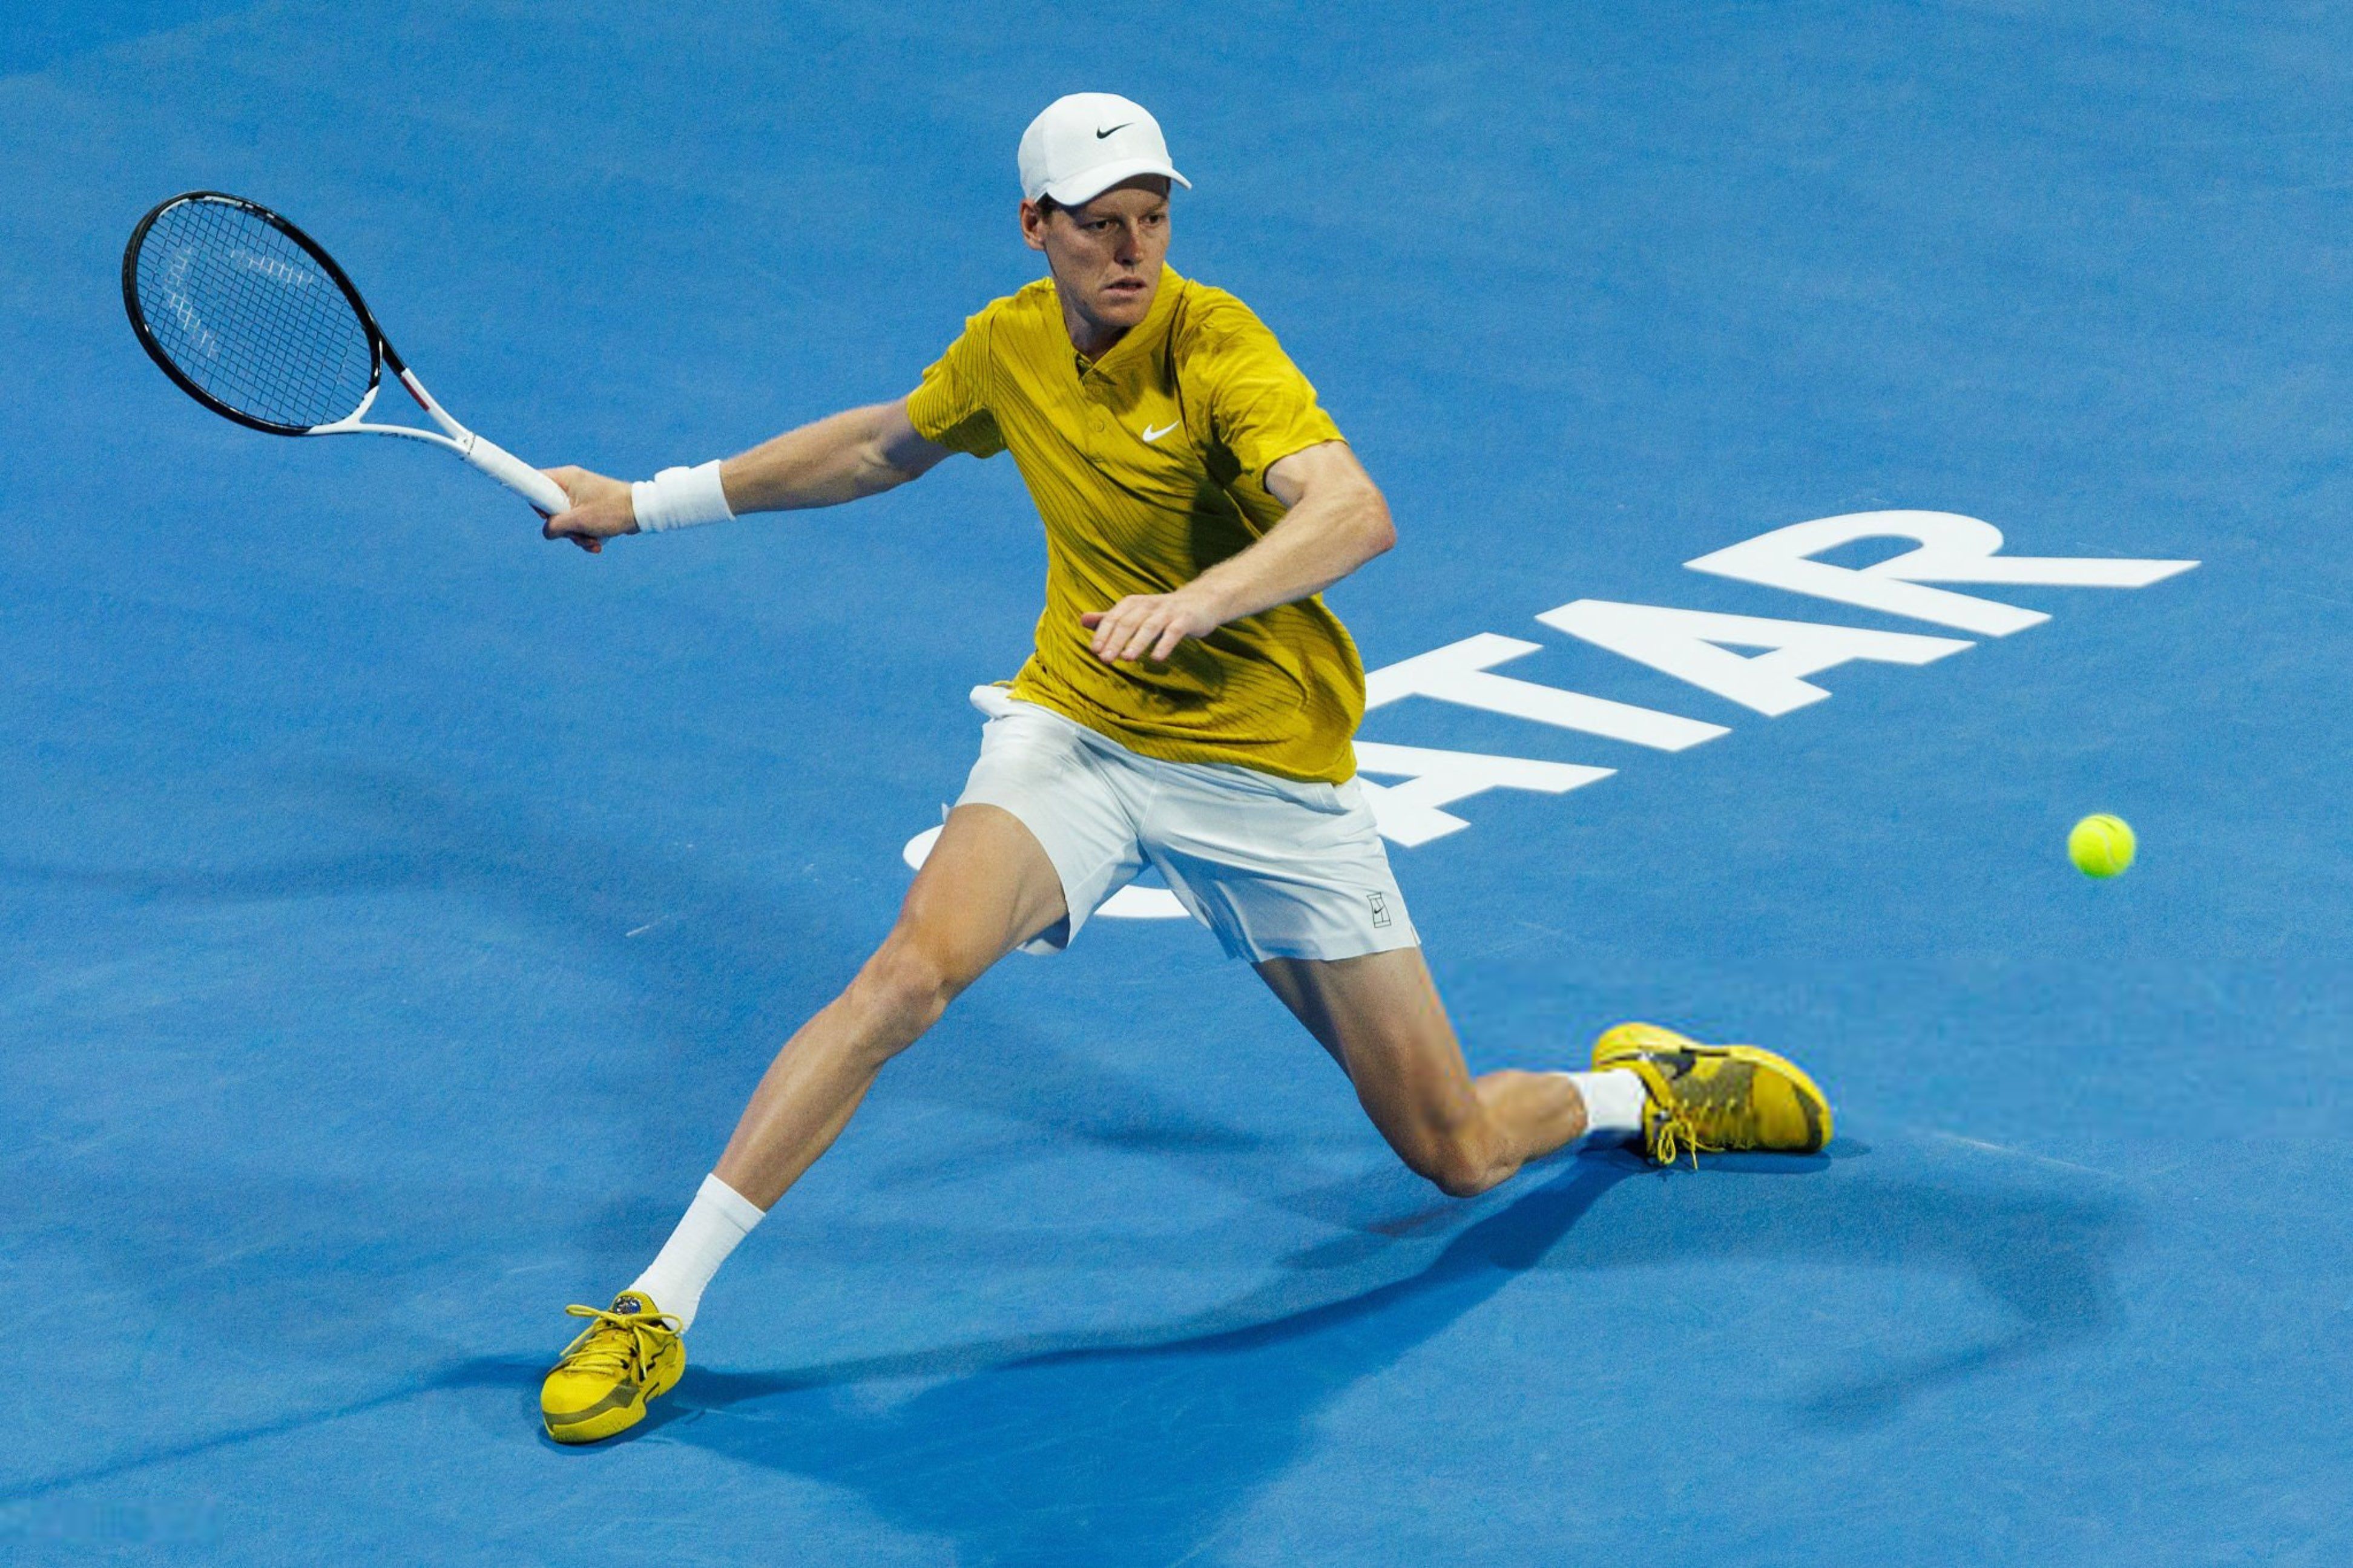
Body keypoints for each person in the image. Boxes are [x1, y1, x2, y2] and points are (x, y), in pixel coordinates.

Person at [531, 92, 1832, 1445]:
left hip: (1262, 774)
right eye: (1101, 225)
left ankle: (1643, 1088)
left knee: (1453, 1150)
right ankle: (657, 1308)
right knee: (906, 975)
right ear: (1036, 225)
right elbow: (879, 447)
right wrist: (643, 500)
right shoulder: (1011, 345)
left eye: (1153, 220)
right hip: (1080, 736)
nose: (1133, 250)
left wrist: (1203, 602)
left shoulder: (1219, 349)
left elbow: (1352, 510)